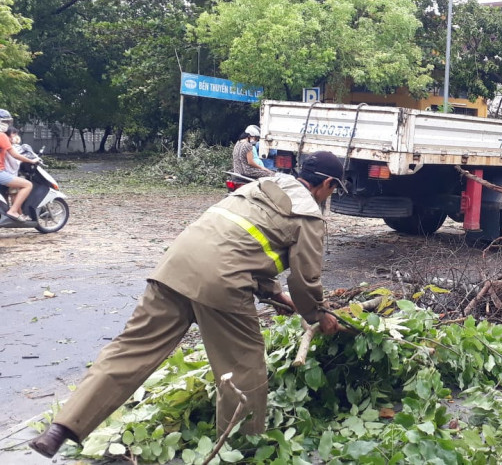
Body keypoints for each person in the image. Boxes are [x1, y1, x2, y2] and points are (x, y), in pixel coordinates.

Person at [29, 152, 346, 458]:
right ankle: (242, 450)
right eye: (333, 189)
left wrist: (274, 295)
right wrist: (317, 314)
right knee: (244, 370)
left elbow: (244, 239)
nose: (329, 196)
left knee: (130, 351)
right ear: (328, 183)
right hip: (222, 281)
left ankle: (61, 428)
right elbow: (305, 280)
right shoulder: (309, 213)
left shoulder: (260, 187)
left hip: (175, 266)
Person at [0, 110, 40, 221]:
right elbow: (15, 155)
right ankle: (13, 211)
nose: (7, 125)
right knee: (27, 185)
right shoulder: (2, 136)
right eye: (5, 121)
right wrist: (31, 161)